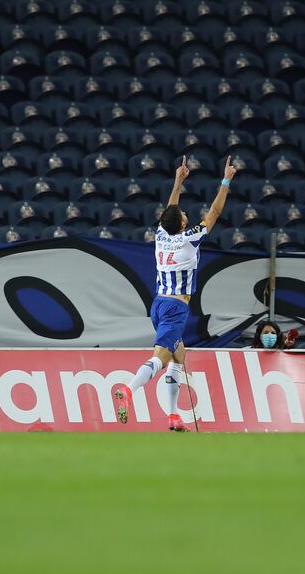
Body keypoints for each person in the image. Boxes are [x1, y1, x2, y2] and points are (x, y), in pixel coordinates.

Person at [115, 155, 237, 432]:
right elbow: (213, 214)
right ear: (182, 224)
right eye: (184, 215)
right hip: (176, 308)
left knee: (179, 355)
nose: (185, 214)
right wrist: (226, 181)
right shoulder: (187, 239)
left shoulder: (161, 234)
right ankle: (129, 389)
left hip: (158, 304)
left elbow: (170, 209)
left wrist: (178, 181)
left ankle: (173, 417)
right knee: (162, 356)